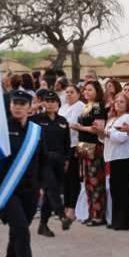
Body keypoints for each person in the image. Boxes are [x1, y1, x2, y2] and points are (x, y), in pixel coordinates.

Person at [0, 90, 46, 257]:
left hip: (30, 192)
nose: (17, 106)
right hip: (8, 191)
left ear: (30, 106)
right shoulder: (1, 129)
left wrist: (43, 186)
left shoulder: (36, 131)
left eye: (22, 103)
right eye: (14, 103)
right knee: (21, 232)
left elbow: (42, 162)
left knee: (17, 233)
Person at [34, 89, 71, 235]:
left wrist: (67, 159)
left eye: (53, 102)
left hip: (59, 160)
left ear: (58, 104)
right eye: (47, 101)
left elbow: (66, 143)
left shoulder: (62, 121)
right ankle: (62, 215)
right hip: (43, 160)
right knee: (51, 187)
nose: (50, 104)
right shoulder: (37, 120)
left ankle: (43, 224)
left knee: (51, 192)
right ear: (43, 103)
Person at [71, 80, 108, 226]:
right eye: (85, 90)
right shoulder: (87, 106)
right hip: (83, 145)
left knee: (96, 181)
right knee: (87, 181)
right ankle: (91, 213)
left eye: (90, 90)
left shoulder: (98, 107)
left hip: (94, 145)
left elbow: (98, 128)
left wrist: (80, 128)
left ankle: (98, 215)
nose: (86, 92)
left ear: (97, 91)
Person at [103, 92, 129, 232]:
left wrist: (107, 133)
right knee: (115, 190)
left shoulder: (128, 117)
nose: (118, 103)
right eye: (116, 101)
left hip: (124, 157)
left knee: (123, 190)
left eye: (122, 101)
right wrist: (102, 133)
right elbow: (106, 138)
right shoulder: (111, 119)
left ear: (127, 104)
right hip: (112, 156)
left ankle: (124, 221)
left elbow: (122, 137)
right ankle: (115, 219)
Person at [59, 83, 86, 220]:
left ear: (78, 94)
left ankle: (72, 208)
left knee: (73, 178)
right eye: (67, 92)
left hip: (75, 145)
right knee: (64, 178)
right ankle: (65, 206)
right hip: (62, 146)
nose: (69, 94)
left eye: (72, 92)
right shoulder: (63, 107)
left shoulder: (81, 106)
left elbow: (76, 124)